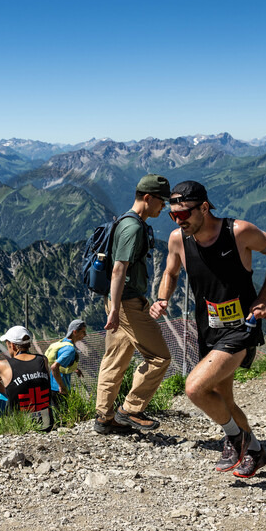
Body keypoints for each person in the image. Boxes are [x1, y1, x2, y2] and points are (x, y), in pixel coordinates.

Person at [151, 181, 266, 478]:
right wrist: (163, 298)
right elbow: (170, 272)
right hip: (208, 329)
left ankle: (235, 438)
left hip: (242, 327)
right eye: (173, 215)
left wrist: (264, 298)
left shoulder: (239, 232)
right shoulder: (178, 240)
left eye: (184, 214)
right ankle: (255, 451)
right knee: (223, 399)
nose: (178, 221)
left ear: (203, 207)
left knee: (195, 388)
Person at [94, 174, 173, 435]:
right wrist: (116, 310)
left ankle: (104, 418)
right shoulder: (134, 227)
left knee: (114, 359)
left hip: (118, 301)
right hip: (126, 304)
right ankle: (131, 409)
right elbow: (119, 269)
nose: (164, 207)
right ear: (148, 198)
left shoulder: (127, 221)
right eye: (162, 201)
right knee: (160, 356)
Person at [0, 325, 54, 430]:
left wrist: (3, 375)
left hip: (20, 426)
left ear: (12, 345)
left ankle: (0, 420)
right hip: (47, 424)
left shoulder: (3, 365)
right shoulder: (43, 360)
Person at [46, 319, 87, 398]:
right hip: (59, 390)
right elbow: (54, 367)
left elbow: (62, 363)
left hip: (52, 386)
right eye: (83, 332)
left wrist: (74, 369)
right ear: (75, 332)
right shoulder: (70, 349)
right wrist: (61, 386)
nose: (85, 334)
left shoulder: (62, 343)